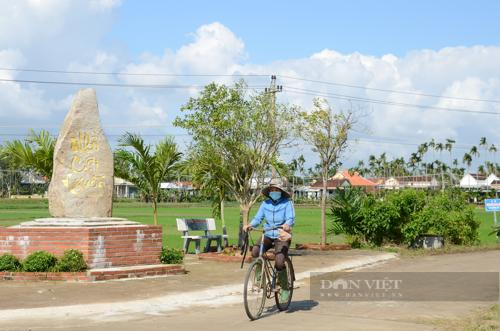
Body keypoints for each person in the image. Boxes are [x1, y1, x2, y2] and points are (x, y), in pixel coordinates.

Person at [243, 179, 295, 300]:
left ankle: (284, 286)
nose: (274, 192)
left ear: (281, 192)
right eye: (272, 190)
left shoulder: (287, 203)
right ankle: (259, 278)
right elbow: (258, 218)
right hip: (267, 233)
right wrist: (250, 225)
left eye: (276, 190)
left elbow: (290, 218)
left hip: (281, 235)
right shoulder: (265, 204)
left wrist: (287, 225)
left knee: (279, 262)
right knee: (255, 251)